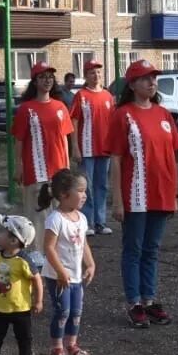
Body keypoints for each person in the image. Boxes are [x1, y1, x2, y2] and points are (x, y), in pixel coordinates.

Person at [109, 59, 178, 329]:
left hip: (161, 193)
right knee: (134, 249)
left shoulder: (163, 114)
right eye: (145, 79)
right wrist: (117, 199)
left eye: (154, 78)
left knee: (152, 249)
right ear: (132, 84)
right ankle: (134, 303)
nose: (152, 83)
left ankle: (150, 301)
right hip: (135, 194)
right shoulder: (123, 115)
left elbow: (171, 157)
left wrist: (175, 195)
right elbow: (115, 159)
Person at [10, 62, 73, 252]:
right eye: (42, 77)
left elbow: (64, 138)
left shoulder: (60, 107)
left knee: (59, 216)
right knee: (37, 217)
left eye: (50, 77)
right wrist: (18, 166)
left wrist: (67, 169)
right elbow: (19, 140)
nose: (47, 81)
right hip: (36, 172)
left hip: (58, 172)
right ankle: (36, 258)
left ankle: (58, 257)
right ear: (35, 82)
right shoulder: (26, 109)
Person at [39, 168, 95, 355]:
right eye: (80, 190)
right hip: (58, 276)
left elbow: (83, 244)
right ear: (64, 194)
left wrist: (90, 264)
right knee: (62, 311)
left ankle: (72, 345)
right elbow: (49, 248)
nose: (84, 195)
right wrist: (61, 272)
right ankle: (56, 349)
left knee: (76, 311)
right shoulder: (55, 219)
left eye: (85, 190)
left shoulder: (81, 218)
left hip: (76, 276)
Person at [0, 214, 44, 355]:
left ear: (13, 240)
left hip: (21, 307)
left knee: (24, 337)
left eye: (3, 231)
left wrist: (38, 301)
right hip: (0, 307)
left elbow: (37, 279)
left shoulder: (23, 260)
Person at [69, 59, 116, 236]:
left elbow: (112, 122)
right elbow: (73, 120)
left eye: (98, 72)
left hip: (105, 148)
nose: (95, 76)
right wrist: (75, 147)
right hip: (86, 148)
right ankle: (86, 222)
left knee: (101, 185)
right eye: (91, 73)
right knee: (85, 186)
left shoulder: (107, 96)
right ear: (86, 76)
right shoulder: (81, 96)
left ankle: (100, 221)